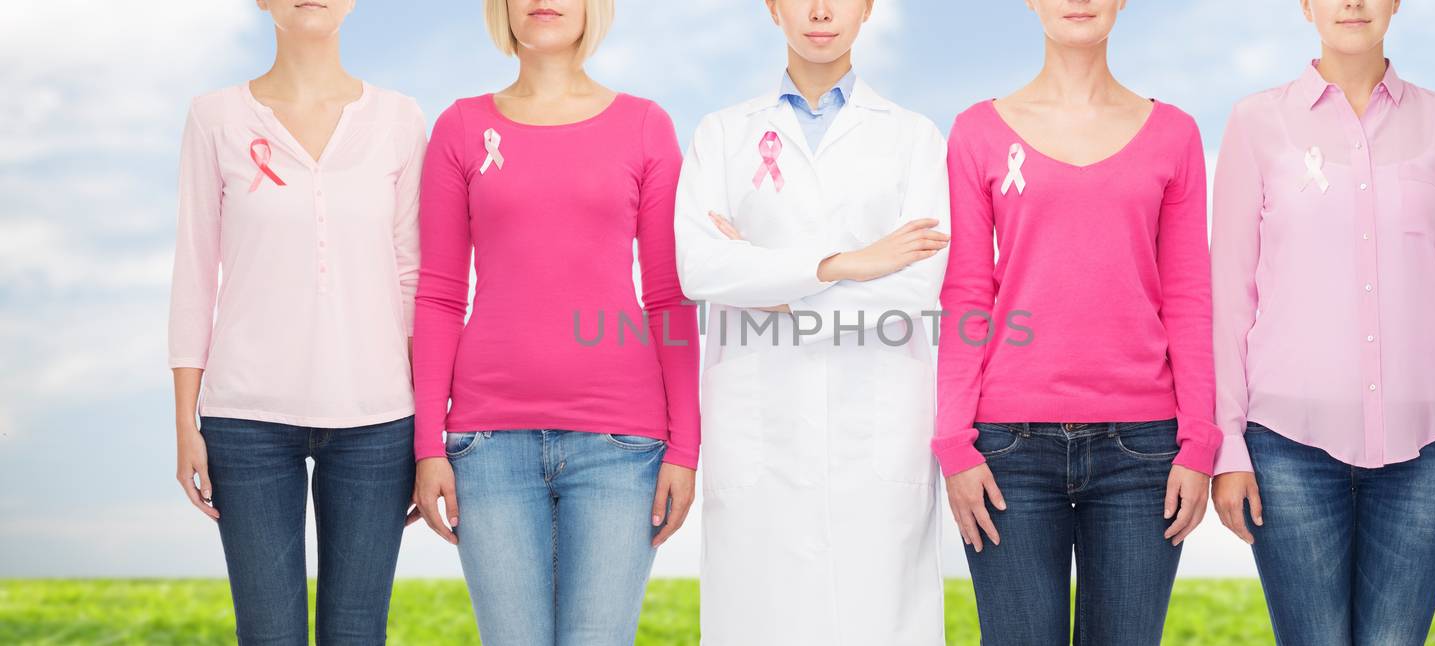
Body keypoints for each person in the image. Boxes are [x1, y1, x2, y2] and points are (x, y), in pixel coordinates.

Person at [1210, 1, 1435, 643]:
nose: (1352, 3)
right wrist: (1226, 444)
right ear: (1306, 6)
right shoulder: (1255, 123)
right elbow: (1229, 296)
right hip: (1286, 446)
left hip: (1429, 447)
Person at [409, 1, 700, 644]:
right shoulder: (460, 128)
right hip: (487, 447)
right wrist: (429, 443)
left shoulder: (646, 126)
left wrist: (686, 446)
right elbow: (437, 296)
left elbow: (669, 297)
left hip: (622, 448)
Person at [934, 1, 1218, 643]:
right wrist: (953, 442)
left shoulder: (1174, 133)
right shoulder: (978, 132)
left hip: (1145, 451)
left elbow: (1189, 296)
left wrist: (1199, 442)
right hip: (1007, 449)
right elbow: (967, 293)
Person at [673, 0, 950, 643]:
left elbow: (912, 286)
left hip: (876, 428)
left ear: (868, 9)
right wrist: (847, 264)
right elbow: (702, 271)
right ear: (773, 8)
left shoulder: (913, 137)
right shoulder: (721, 134)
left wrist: (767, 286)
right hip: (759, 430)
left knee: (880, 618)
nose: (820, 11)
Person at [169, 0, 425, 643]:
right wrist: (184, 421)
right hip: (245, 421)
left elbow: (413, 276)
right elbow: (195, 273)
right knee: (267, 632)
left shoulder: (399, 119)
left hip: (379, 421)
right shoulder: (215, 118)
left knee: (358, 631)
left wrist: (429, 433)